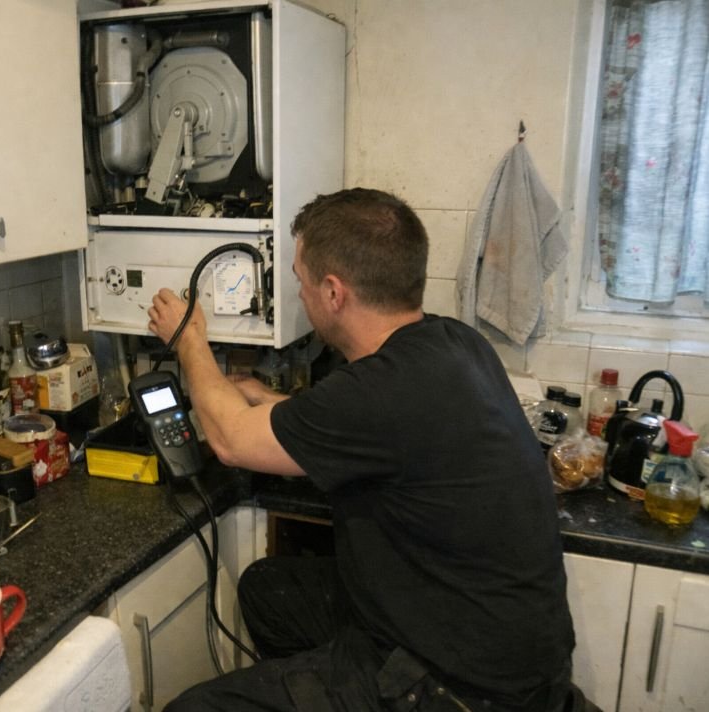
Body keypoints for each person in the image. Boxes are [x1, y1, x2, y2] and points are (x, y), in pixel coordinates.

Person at [147, 188, 576, 712]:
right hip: (513, 653)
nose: (299, 293)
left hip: (460, 689)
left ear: (333, 292)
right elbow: (388, 430)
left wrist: (189, 339)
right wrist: (274, 401)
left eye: (301, 279)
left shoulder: (378, 391)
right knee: (270, 591)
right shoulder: (455, 343)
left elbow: (230, 440)